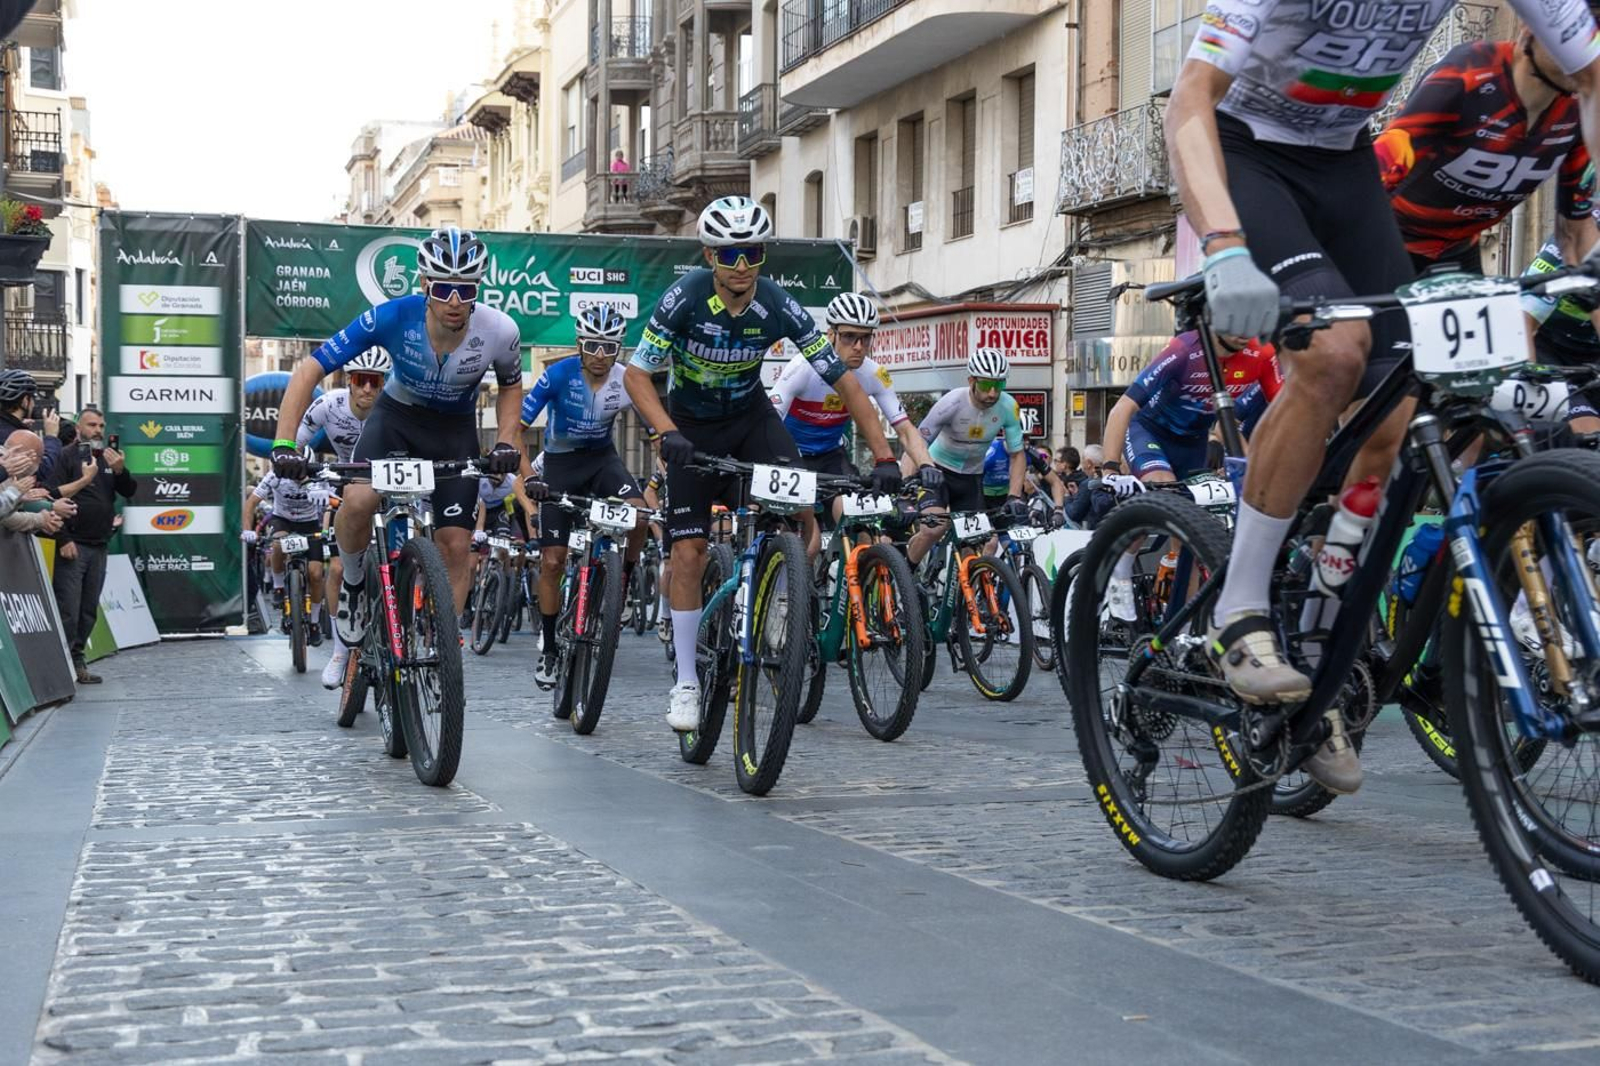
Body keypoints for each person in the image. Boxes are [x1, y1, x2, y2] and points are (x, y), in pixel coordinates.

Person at [1165, 0, 1600, 796]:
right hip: (1244, 155)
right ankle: (1240, 608)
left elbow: (1594, 78)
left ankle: (1327, 649)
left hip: (1343, 162)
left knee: (1402, 413)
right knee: (1335, 355)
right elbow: (1189, 98)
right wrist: (1224, 246)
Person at [624, 196, 903, 731]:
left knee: (799, 509)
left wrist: (886, 454)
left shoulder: (776, 303)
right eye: (729, 255)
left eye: (751, 253)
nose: (740, 267)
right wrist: (667, 432)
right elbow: (637, 375)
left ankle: (780, 595)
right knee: (688, 550)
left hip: (751, 419)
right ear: (709, 256)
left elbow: (842, 379)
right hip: (690, 427)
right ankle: (686, 680)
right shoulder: (682, 299)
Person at [271, 226, 526, 650]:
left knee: (457, 546)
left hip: (453, 431)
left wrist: (504, 442)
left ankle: (444, 650)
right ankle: (353, 583)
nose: (455, 302)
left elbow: (511, 385)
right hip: (396, 421)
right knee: (358, 500)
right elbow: (309, 370)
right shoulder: (392, 316)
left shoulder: (499, 330)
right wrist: (283, 445)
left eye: (467, 289)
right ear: (425, 283)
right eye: (444, 288)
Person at [518, 302, 649, 689]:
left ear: (619, 349)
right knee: (553, 561)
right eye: (592, 345)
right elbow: (516, 430)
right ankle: (549, 649)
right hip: (560, 465)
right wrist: (529, 479)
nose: (599, 356)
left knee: (640, 514)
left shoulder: (627, 379)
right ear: (579, 344)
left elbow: (655, 429)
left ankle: (622, 580)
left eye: (609, 348)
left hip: (602, 461)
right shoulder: (556, 375)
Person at [769, 291, 940, 553]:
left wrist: (926, 464)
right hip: (794, 456)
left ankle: (856, 589)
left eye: (866, 337)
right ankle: (797, 591)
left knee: (862, 530)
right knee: (810, 541)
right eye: (849, 336)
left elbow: (904, 430)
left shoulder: (874, 373)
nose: (858, 346)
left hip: (831, 456)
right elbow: (771, 421)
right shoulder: (802, 368)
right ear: (831, 334)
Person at [296, 346, 389, 687]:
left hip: (386, 482)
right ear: (350, 382)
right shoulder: (328, 406)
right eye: (362, 380)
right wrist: (307, 477)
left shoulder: (394, 406)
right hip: (343, 482)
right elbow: (298, 443)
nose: (368, 389)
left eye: (375, 382)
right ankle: (339, 650)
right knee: (337, 568)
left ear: (383, 385)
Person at [904, 349, 1025, 567]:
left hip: (971, 479)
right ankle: (904, 577)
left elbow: (1017, 454)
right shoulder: (951, 403)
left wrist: (1014, 496)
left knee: (982, 543)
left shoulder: (1008, 406)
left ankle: (965, 597)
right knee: (934, 529)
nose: (992, 393)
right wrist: (907, 483)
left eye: (999, 385)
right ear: (971, 380)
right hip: (938, 473)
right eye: (986, 385)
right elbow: (916, 443)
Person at [48, 409, 131, 685]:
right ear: (79, 428)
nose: (97, 430)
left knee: (88, 609)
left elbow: (130, 490)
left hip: (99, 544)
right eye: (91, 425)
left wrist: (120, 471)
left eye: (101, 425)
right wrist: (63, 538)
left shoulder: (109, 457)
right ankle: (60, 664)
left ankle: (78, 658)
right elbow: (51, 496)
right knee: (68, 608)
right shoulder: (66, 456)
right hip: (74, 542)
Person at [241, 459, 329, 644]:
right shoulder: (275, 476)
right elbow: (251, 503)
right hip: (282, 520)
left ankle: (314, 622)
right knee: (278, 544)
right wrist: (248, 530)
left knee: (315, 573)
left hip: (309, 523)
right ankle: (279, 587)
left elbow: (333, 504)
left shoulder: (319, 476)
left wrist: (328, 527)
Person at [0, 369, 62, 472]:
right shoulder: (12, 436)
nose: (33, 404)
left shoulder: (6, 428)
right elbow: (41, 470)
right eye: (33, 399)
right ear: (25, 401)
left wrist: (20, 426)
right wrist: (51, 436)